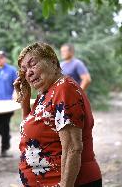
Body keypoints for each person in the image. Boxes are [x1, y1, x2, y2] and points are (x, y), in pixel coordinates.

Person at [14, 42, 102, 186]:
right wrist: (25, 100)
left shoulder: (64, 89)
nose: (28, 73)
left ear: (53, 62)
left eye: (33, 64)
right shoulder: (47, 92)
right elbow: (31, 136)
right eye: (24, 69)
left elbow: (73, 147)